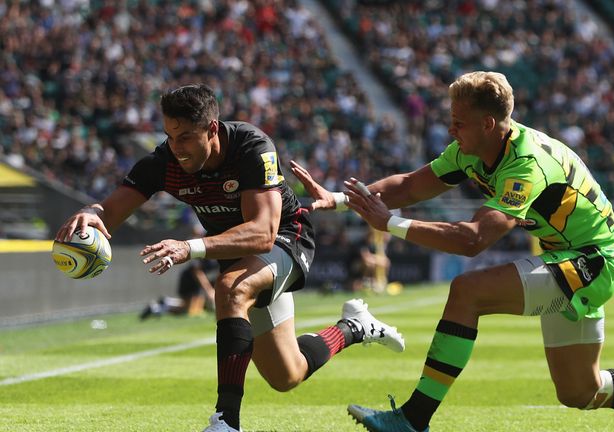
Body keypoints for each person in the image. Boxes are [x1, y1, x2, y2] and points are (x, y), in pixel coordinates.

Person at [290, 71, 614, 432]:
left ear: (488, 124)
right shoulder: (475, 146)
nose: (450, 129)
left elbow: (474, 240)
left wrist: (388, 224)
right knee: (581, 392)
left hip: (592, 260)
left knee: (466, 292)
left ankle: (412, 419)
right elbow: (413, 184)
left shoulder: (525, 166)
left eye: (458, 121)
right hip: (571, 253)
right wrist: (340, 199)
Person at [54, 84, 405, 432]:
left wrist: (188, 247)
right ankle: (355, 327)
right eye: (170, 137)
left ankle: (225, 422)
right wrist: (92, 212)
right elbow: (112, 208)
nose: (177, 149)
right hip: (238, 255)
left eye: (186, 137)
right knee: (287, 374)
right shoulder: (165, 162)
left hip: (285, 239)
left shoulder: (251, 147)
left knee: (231, 287)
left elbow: (263, 232)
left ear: (211, 129)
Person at [139, 258, 217, 320]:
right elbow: (197, 272)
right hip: (189, 281)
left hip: (195, 283)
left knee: (188, 308)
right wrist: (209, 290)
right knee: (187, 310)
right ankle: (156, 308)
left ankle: (166, 302)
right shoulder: (205, 255)